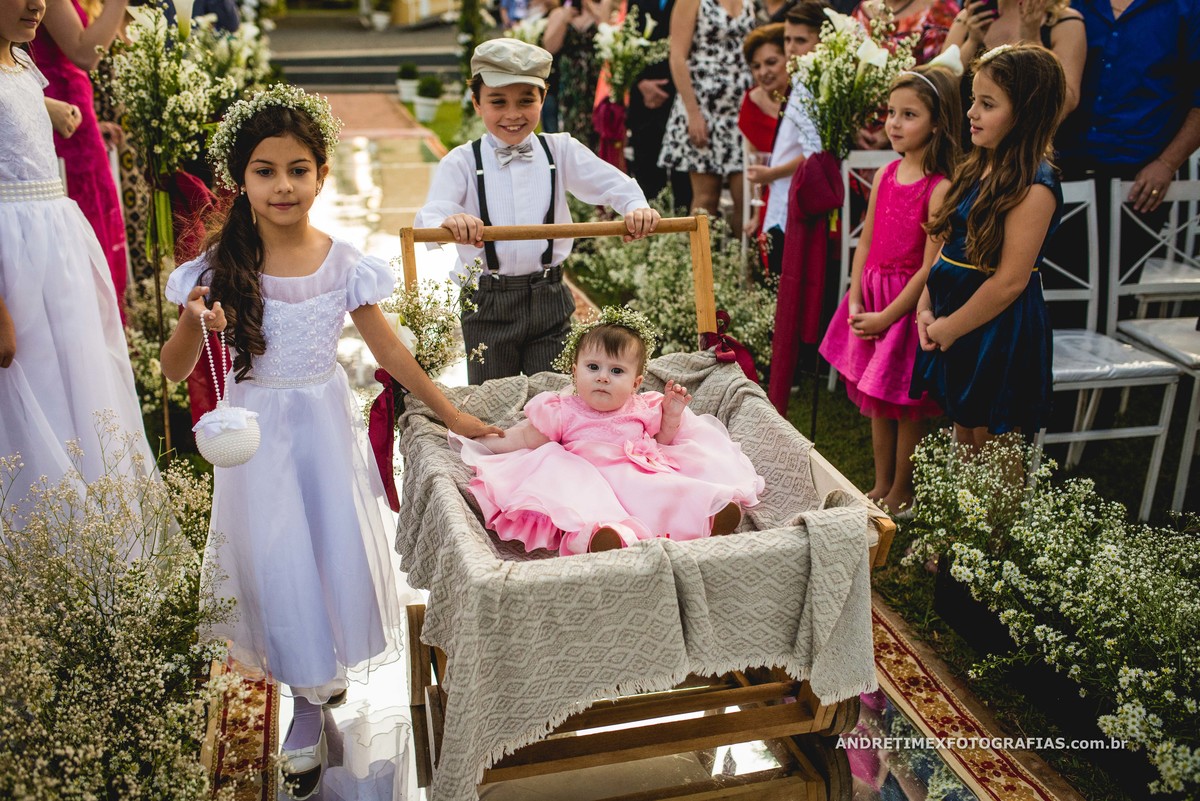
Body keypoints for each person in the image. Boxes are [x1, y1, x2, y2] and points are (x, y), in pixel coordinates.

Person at [158, 85, 502, 799]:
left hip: (320, 429)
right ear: (240, 178)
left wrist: (453, 413)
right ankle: (308, 704)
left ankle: (320, 675)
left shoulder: (342, 261)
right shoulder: (220, 265)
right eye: (265, 170)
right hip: (258, 443)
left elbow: (393, 354)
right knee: (277, 559)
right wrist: (195, 320)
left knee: (324, 553)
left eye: (298, 169)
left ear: (320, 173)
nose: (283, 186)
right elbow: (173, 366)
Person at [417, 38, 660, 385]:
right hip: (487, 302)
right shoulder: (462, 161)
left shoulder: (558, 150)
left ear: (543, 98)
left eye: (526, 101)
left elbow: (613, 183)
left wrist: (635, 207)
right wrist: (450, 219)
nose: (513, 114)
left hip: (549, 298)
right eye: (498, 102)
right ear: (476, 103)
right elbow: (434, 210)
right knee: (492, 400)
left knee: (555, 395)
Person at [0, 0, 154, 513]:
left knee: (78, 382)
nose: (37, 4)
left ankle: (93, 536)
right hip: (13, 259)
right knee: (32, 388)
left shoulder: (21, 60)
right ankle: (43, 530)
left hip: (55, 249)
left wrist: (54, 108)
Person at [454, 307, 765, 555]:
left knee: (670, 488)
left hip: (639, 475)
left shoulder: (642, 406)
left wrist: (671, 415)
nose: (602, 377)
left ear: (636, 382)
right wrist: (482, 439)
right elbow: (525, 438)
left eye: (616, 371)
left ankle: (708, 513)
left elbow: (664, 441)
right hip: (591, 480)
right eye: (593, 368)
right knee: (586, 507)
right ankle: (604, 538)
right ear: (575, 372)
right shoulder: (562, 410)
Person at [819, 65, 960, 516]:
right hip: (872, 295)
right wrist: (856, 297)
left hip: (904, 306)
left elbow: (929, 267)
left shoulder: (939, 187)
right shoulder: (886, 174)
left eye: (909, 115)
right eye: (891, 113)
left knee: (905, 404)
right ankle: (880, 484)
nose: (894, 124)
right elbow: (866, 243)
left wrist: (887, 317)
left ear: (937, 123)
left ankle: (903, 488)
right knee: (878, 398)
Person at [911, 44, 1066, 449]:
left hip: (997, 327)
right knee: (964, 425)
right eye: (972, 101)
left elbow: (1011, 281)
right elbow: (946, 246)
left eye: (987, 104)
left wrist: (950, 326)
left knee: (994, 439)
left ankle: (996, 516)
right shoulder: (979, 164)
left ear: (1025, 113)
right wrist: (925, 305)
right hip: (953, 317)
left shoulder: (1035, 185)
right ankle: (966, 513)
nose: (971, 113)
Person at [32, 0, 129, 309]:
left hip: (77, 114)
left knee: (99, 220)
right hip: (63, 121)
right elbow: (85, 53)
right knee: (86, 229)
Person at [658, 0, 756, 237]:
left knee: (747, 196)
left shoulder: (750, 2)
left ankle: (741, 267)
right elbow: (677, 57)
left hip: (742, 111)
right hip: (703, 107)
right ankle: (700, 268)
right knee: (706, 198)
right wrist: (693, 113)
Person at [744, 1, 824, 279]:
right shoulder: (801, 81)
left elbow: (814, 153)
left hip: (795, 196)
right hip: (778, 198)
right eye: (788, 39)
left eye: (800, 40)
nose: (791, 47)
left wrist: (771, 173)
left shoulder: (815, 85)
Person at [941, 0, 1084, 114]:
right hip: (965, 143)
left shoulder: (1064, 20)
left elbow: (1066, 103)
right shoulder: (970, 16)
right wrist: (972, 42)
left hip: (1026, 146)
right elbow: (937, 87)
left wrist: (1032, 39)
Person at [626, 0, 693, 209]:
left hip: (682, 98)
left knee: (684, 182)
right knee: (647, 177)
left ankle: (681, 235)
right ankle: (649, 236)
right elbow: (627, 44)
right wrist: (639, 83)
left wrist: (673, 88)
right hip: (643, 102)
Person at [542, 0, 612, 150]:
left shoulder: (604, 7)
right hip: (568, 86)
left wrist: (593, 9)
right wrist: (564, 21)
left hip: (595, 84)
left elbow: (609, 40)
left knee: (595, 135)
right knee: (567, 134)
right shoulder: (560, 13)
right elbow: (549, 48)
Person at [738, 22, 786, 240]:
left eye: (771, 63)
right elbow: (756, 164)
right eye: (756, 66)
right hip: (771, 193)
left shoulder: (804, 97)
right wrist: (757, 215)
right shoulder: (751, 102)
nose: (763, 72)